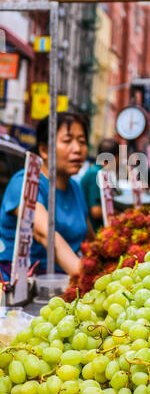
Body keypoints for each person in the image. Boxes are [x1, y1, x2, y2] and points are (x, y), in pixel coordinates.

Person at [0, 112, 95, 282]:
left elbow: (90, 239)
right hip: (22, 284)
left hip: (63, 281)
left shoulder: (75, 187)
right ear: (44, 150)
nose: (77, 149)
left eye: (82, 141)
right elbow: (45, 235)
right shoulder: (26, 182)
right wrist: (89, 281)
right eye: (67, 141)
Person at [80, 138, 120, 232]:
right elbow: (96, 211)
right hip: (93, 233)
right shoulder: (95, 174)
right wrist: (120, 213)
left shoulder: (102, 173)